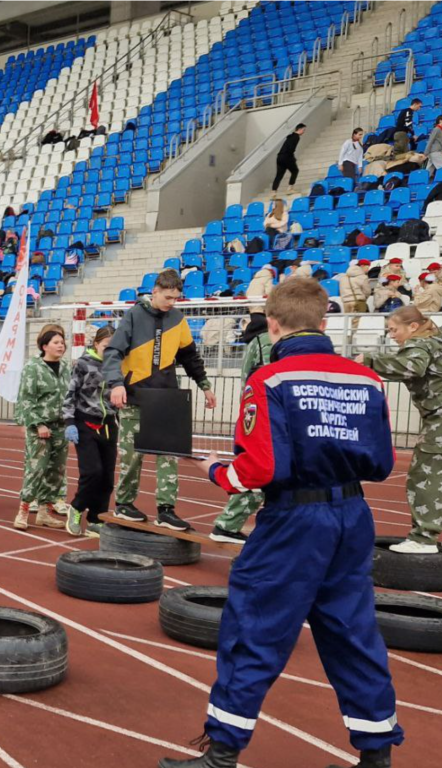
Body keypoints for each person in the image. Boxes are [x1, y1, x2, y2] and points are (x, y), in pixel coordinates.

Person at [162, 278, 402, 768]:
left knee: (255, 627)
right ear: (324, 319)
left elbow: (258, 469)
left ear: (272, 323)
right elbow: (381, 464)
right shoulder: (367, 380)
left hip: (294, 520)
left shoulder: (270, 379)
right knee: (354, 634)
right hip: (353, 516)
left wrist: (214, 469)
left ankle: (223, 751)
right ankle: (377, 753)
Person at [102, 269, 217, 531]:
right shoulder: (134, 315)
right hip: (135, 397)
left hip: (166, 398)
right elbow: (113, 352)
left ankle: (166, 509)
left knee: (169, 455)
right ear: (154, 292)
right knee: (132, 457)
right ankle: (124, 504)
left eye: (176, 298)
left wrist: (205, 385)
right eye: (167, 297)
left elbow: (190, 357)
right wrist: (116, 384)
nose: (171, 303)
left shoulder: (178, 319)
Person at [356, 306, 442, 554]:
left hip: (438, 419)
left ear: (413, 327)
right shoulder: (435, 340)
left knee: (424, 478)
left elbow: (411, 366)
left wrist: (370, 361)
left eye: (394, 329)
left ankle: (424, 538)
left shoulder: (420, 345)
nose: (391, 335)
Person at [209, 310, 271, 544]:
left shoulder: (253, 344)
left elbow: (250, 380)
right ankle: (227, 524)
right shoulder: (266, 342)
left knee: (260, 473)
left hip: (252, 411)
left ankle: (229, 524)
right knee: (258, 474)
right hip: (264, 414)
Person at [14, 326, 72, 531]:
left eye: (62, 343)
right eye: (56, 342)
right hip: (39, 427)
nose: (61, 346)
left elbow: (70, 396)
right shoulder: (33, 367)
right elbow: (25, 399)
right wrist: (38, 423)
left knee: (56, 471)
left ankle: (44, 513)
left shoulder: (66, 367)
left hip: (61, 427)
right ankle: (22, 511)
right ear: (45, 346)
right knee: (36, 469)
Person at [63, 326, 118, 538]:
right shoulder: (83, 364)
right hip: (85, 423)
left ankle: (97, 518)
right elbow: (70, 393)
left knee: (107, 477)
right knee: (92, 471)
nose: (109, 350)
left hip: (108, 424)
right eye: (106, 346)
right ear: (96, 344)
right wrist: (69, 421)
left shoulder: (117, 365)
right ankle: (77, 508)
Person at [272, 123, 305, 194]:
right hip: (286, 157)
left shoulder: (290, 136)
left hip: (279, 157)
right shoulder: (296, 137)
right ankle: (290, 189)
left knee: (279, 175)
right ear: (300, 129)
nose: (304, 132)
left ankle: (274, 192)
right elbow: (291, 149)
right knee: (295, 171)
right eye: (303, 130)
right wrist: (293, 158)